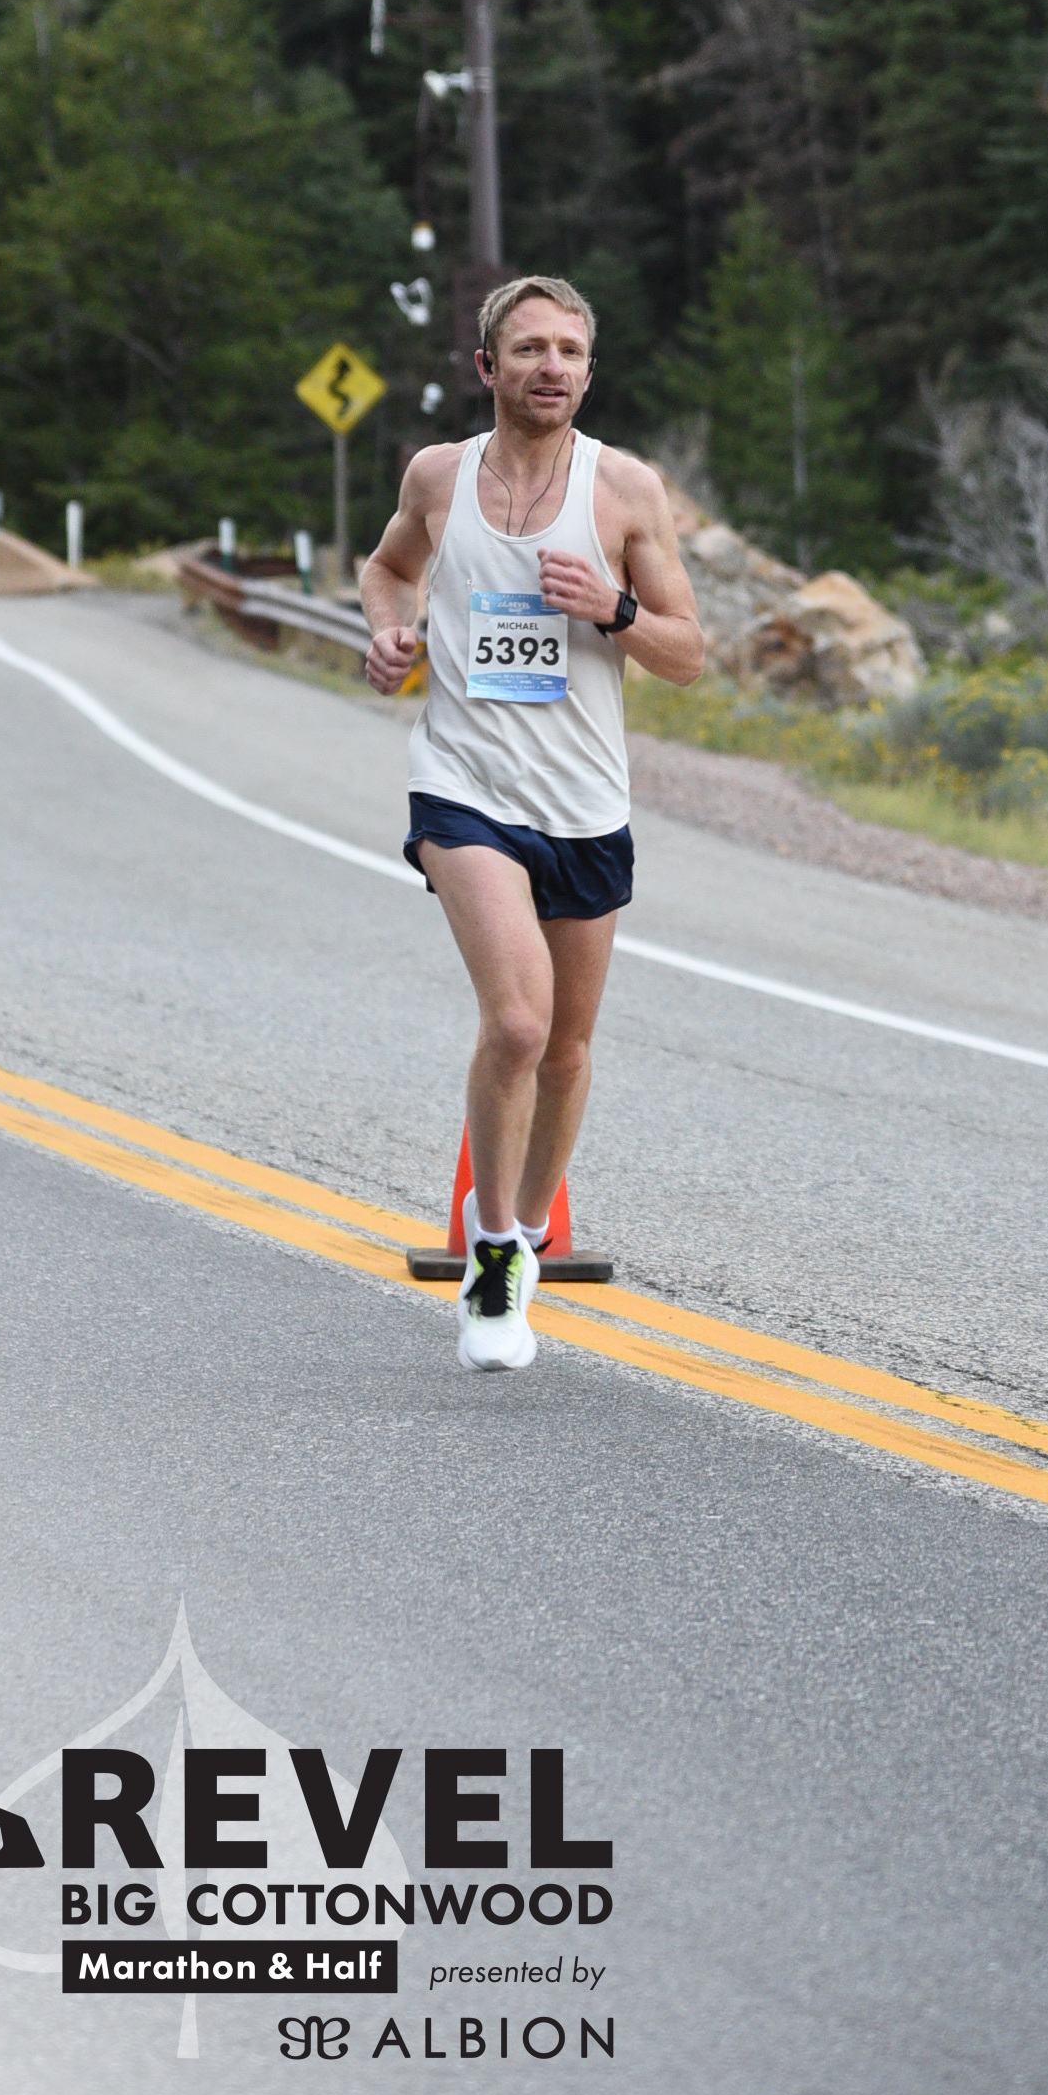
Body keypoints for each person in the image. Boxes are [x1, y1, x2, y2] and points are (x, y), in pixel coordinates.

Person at [360, 276, 704, 1370]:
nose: (551, 366)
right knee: (516, 1022)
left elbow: (689, 653)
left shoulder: (625, 490)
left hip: (585, 804)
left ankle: (529, 1221)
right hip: (464, 786)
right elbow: (387, 567)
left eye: (570, 350)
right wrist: (389, 633)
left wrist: (614, 607)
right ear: (488, 368)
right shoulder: (438, 476)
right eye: (529, 348)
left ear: (589, 373)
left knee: (564, 1049)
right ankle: (497, 1248)